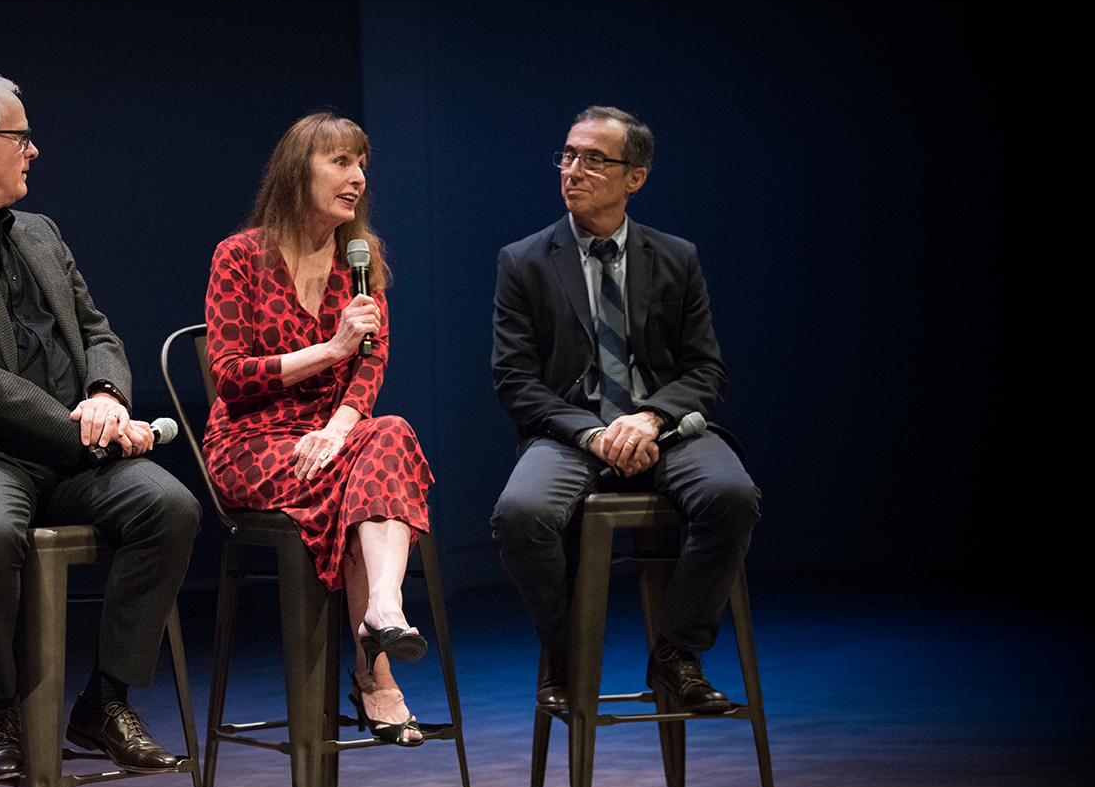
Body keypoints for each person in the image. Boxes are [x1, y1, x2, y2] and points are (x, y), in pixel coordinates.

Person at [0, 69, 201, 780]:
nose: (35, 151)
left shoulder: (43, 234)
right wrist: (82, 428)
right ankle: (3, 706)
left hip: (71, 449)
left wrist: (108, 392)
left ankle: (104, 702)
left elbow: (97, 329)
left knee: (168, 506)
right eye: (21, 137)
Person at [490, 106, 761, 715]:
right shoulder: (524, 261)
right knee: (520, 514)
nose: (573, 171)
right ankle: (566, 654)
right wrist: (592, 433)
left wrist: (651, 418)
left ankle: (676, 656)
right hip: (570, 434)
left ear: (634, 177)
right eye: (567, 156)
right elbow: (514, 380)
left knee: (732, 496)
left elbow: (706, 370)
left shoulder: (676, 257)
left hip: (665, 432)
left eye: (594, 159)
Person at [202, 112, 436, 746]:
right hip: (252, 444)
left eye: (362, 164)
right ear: (295, 171)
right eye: (340, 162)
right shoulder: (240, 256)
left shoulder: (362, 260)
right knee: (375, 478)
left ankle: (383, 612)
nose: (357, 177)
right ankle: (375, 670)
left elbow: (373, 362)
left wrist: (336, 426)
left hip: (334, 439)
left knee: (388, 432)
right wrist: (329, 351)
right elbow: (228, 374)